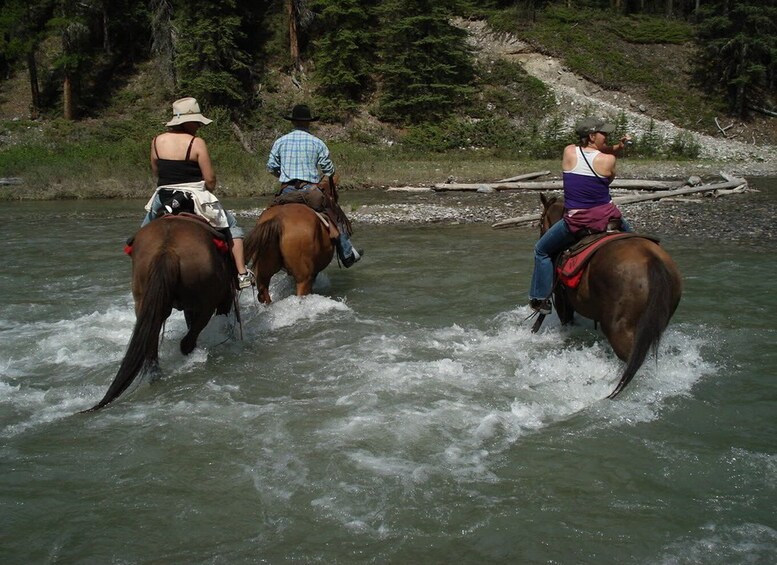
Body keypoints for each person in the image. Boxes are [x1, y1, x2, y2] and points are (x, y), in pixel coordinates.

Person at [143, 97, 254, 289]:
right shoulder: (196, 142)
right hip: (194, 197)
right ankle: (242, 274)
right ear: (188, 122)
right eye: (197, 122)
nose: (199, 126)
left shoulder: (156, 141)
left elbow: (156, 172)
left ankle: (142, 277)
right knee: (232, 226)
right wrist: (208, 188)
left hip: (163, 198)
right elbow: (210, 178)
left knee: (142, 236)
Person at [528, 117, 632, 314]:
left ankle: (540, 299)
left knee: (541, 250)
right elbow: (605, 167)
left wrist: (616, 146)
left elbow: (597, 152)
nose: (607, 138)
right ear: (592, 136)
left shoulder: (568, 151)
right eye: (604, 134)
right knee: (637, 239)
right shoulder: (609, 160)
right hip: (609, 218)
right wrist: (618, 148)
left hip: (576, 221)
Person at [266, 104, 362, 267]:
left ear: (293, 122)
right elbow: (329, 170)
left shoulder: (280, 142)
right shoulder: (317, 143)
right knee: (332, 214)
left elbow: (271, 166)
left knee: (267, 217)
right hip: (311, 191)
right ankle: (347, 254)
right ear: (309, 122)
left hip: (286, 191)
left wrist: (281, 175)